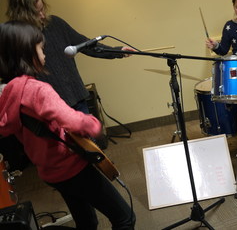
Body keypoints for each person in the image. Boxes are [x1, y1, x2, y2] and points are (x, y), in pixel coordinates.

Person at [0, 21, 135, 229]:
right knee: (124, 218)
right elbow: (74, 121)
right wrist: (93, 123)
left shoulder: (10, 92)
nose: (44, 52)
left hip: (49, 171)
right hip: (71, 168)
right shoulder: (36, 90)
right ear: (26, 53)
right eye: (39, 47)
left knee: (87, 222)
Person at [6, 0, 134, 114]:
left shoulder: (55, 23)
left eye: (42, 8)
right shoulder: (14, 39)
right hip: (50, 108)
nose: (43, 15)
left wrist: (117, 51)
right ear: (22, 14)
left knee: (89, 134)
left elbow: (86, 44)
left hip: (77, 98)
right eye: (36, 12)